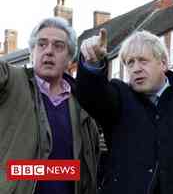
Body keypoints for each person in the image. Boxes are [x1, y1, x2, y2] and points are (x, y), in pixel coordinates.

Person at [76, 29, 173, 194]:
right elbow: (91, 95)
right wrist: (93, 64)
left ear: (163, 63)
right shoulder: (119, 97)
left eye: (143, 61)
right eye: (130, 63)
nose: (136, 69)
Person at [0, 17, 100, 194]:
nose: (49, 51)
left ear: (70, 59)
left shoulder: (82, 103)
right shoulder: (12, 81)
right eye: (42, 44)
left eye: (58, 46)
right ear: (32, 53)